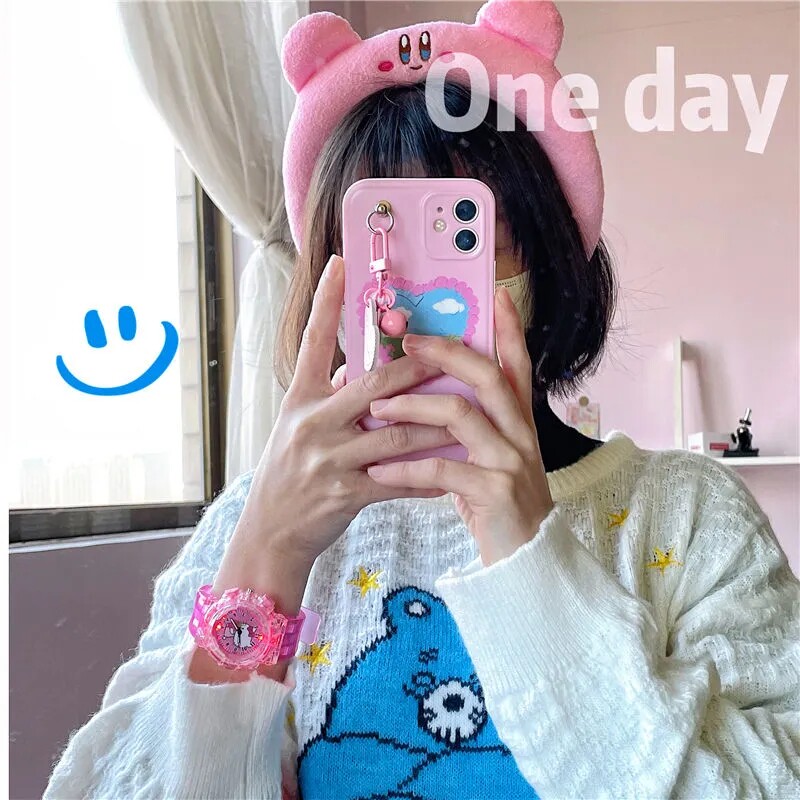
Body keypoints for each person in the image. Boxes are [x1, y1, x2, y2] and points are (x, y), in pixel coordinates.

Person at [45, 3, 799, 799]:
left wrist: (533, 563)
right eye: (377, 238)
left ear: (546, 260)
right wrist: (267, 558)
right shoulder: (251, 525)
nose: (407, 296)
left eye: (461, 234)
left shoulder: (688, 518)